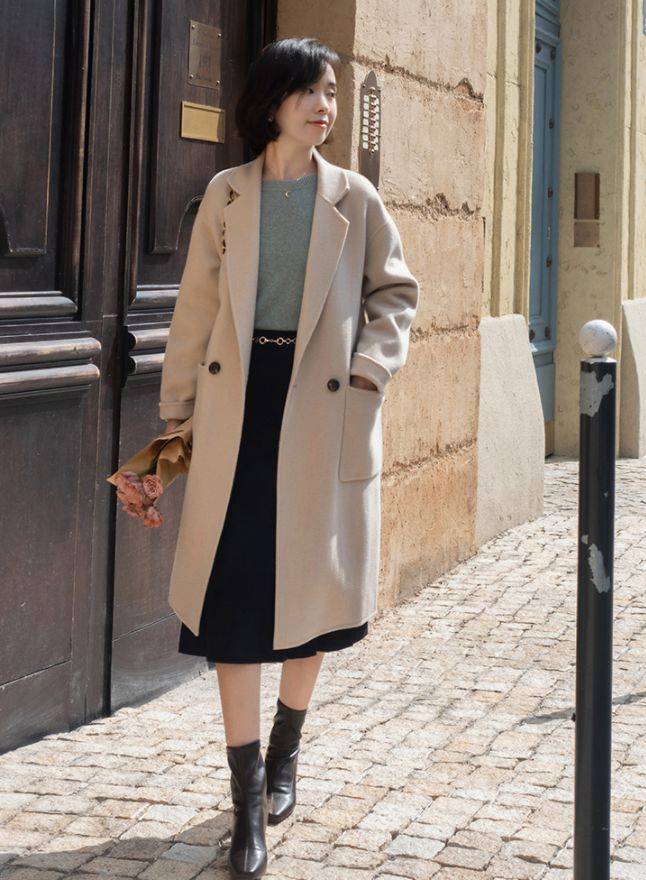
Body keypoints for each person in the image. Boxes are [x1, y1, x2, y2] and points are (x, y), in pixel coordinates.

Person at [161, 37, 419, 880]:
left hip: (324, 408)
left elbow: (395, 293)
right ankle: (246, 805)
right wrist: (174, 423)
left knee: (310, 591)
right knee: (233, 600)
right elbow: (196, 310)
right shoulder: (226, 193)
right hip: (238, 406)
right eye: (308, 91)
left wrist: (370, 369)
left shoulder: (354, 197)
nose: (324, 106)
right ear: (271, 101)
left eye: (331, 92)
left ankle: (285, 752)